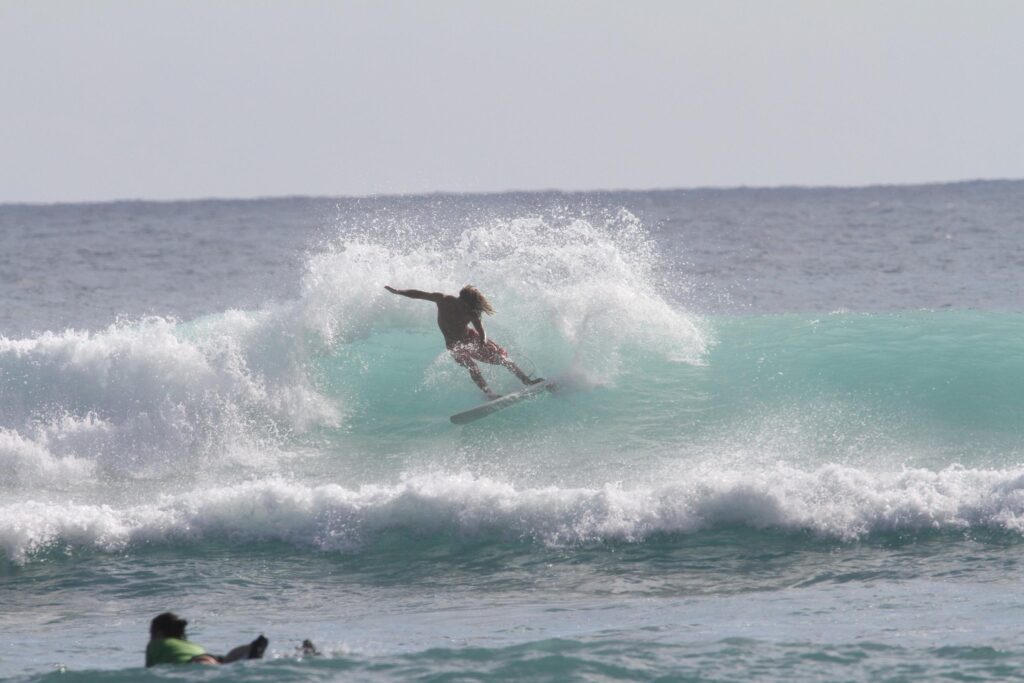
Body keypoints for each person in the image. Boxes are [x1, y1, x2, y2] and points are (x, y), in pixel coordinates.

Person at [384, 284, 542, 399]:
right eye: (466, 305)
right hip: (453, 344)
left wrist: (483, 341)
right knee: (472, 367)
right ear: (461, 299)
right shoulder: (443, 299)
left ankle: (527, 381)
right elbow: (420, 294)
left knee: (502, 359)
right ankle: (489, 394)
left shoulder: (471, 313)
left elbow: (481, 330)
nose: (466, 308)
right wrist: (398, 292)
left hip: (470, 338)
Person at [145, 612, 268, 667]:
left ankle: (247, 651)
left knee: (215, 667)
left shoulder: (155, 644)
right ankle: (248, 649)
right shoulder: (189, 644)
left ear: (159, 633)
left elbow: (150, 673)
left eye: (151, 633)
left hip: (196, 664)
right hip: (209, 657)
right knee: (224, 662)